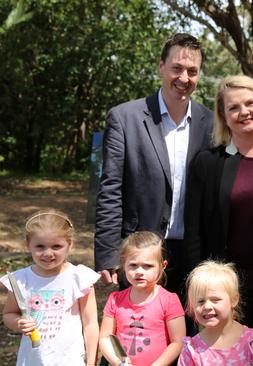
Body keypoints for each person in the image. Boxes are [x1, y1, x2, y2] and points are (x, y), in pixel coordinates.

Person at [94, 33, 213, 299]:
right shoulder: (124, 118)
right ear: (161, 67)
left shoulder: (212, 122)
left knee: (188, 335)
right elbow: (111, 188)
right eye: (177, 68)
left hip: (194, 255)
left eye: (192, 71)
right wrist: (108, 253)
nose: (184, 78)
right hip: (140, 253)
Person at [184, 75, 253, 344]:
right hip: (223, 295)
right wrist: (199, 291)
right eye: (233, 107)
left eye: (250, 103)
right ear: (224, 116)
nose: (244, 112)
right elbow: (194, 232)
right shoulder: (208, 164)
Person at [1, 209, 100, 366]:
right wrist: (18, 322)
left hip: (70, 360)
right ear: (28, 245)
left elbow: (90, 324)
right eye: (40, 246)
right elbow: (8, 314)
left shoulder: (79, 278)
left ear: (69, 245)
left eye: (56, 246)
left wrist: (91, 360)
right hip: (32, 360)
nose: (48, 253)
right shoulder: (20, 280)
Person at [98, 231, 185, 366]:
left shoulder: (169, 301)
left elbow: (178, 341)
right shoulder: (115, 300)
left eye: (148, 266)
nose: (139, 271)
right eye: (133, 265)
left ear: (163, 266)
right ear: (123, 265)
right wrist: (118, 362)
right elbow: (105, 338)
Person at [178, 260, 253, 365]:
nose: (207, 306)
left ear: (234, 300)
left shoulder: (252, 341)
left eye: (215, 300)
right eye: (200, 301)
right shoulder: (192, 350)